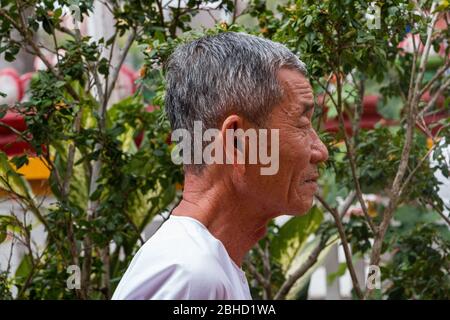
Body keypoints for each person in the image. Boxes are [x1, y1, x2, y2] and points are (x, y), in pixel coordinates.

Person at [112, 32, 328, 300]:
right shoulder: (189, 275)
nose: (321, 151)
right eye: (302, 123)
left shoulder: (204, 265)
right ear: (237, 141)